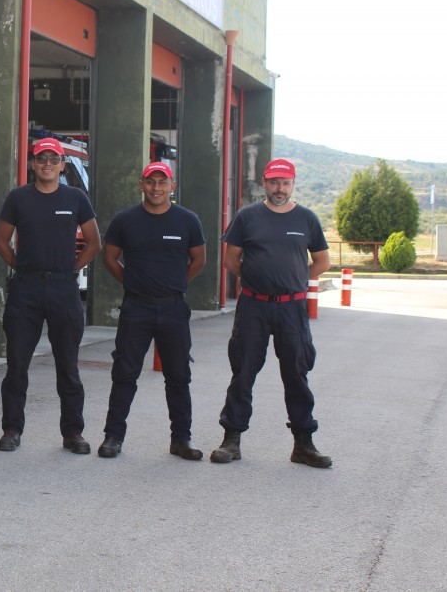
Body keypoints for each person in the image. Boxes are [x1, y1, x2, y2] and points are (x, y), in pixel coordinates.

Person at [211, 158, 333, 468]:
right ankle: (231, 440)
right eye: (274, 182)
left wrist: (295, 280)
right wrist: (258, 279)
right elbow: (231, 260)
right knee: (243, 372)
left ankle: (303, 444)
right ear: (264, 183)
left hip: (292, 309)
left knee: (296, 374)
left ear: (293, 185)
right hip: (254, 306)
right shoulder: (247, 217)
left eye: (285, 183)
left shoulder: (307, 219)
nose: (280, 188)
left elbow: (322, 262)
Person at [0, 137, 101, 453]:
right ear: (33, 163)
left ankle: (73, 433)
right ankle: (12, 429)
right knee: (17, 365)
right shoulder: (18, 198)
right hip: (25, 289)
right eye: (41, 158)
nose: (47, 164)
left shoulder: (76, 197)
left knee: (68, 366)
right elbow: (1, 242)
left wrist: (71, 269)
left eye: (54, 159)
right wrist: (21, 267)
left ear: (62, 165)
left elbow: (94, 243)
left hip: (63, 289)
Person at [97, 162, 206, 460]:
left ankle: (181, 439)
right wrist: (131, 283)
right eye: (150, 181)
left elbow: (199, 259)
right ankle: (113, 437)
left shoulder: (187, 220)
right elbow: (110, 258)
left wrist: (177, 283)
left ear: (172, 186)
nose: (156, 187)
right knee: (124, 373)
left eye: (162, 182)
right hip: (136, 308)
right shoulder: (125, 220)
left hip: (173, 308)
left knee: (178, 375)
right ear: (141, 185)